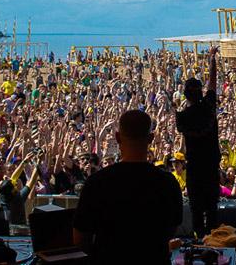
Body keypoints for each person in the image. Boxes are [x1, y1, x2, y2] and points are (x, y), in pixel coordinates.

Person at [73, 110, 183, 264]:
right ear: (151, 138)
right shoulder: (168, 182)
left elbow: (80, 239)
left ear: (118, 137)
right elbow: (171, 229)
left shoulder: (96, 182)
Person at [176, 47, 221, 236]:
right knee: (211, 210)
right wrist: (212, 60)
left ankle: (198, 241)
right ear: (200, 93)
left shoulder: (182, 117)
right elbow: (212, 82)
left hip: (194, 169)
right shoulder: (209, 106)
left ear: (185, 95)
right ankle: (213, 241)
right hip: (211, 167)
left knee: (196, 211)